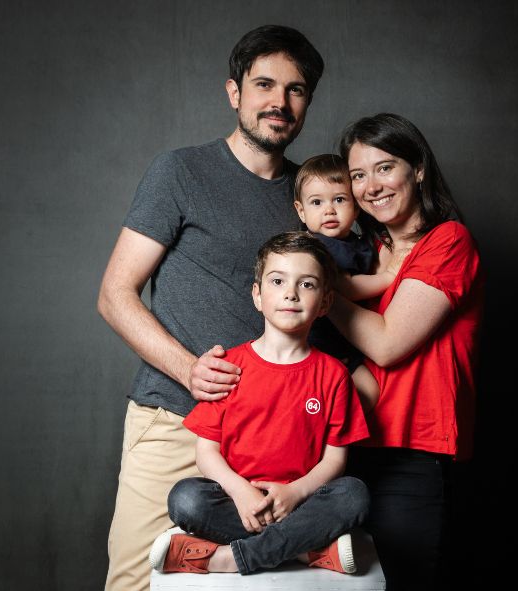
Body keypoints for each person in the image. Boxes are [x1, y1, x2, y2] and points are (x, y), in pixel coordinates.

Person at [97, 25, 324, 591]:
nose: (279, 102)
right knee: (136, 580)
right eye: (264, 84)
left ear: (307, 103)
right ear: (234, 92)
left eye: (295, 90)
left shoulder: (314, 197)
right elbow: (115, 295)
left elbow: (340, 300)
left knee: (266, 583)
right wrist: (188, 370)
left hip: (278, 436)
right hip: (175, 419)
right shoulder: (181, 172)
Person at [148, 232, 370, 575]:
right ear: (257, 295)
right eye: (278, 280)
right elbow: (206, 452)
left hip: (304, 503)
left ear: (325, 303)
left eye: (307, 284)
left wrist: (294, 493)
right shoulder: (229, 368)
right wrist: (241, 493)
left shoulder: (334, 375)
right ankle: (303, 551)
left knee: (354, 495)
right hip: (239, 502)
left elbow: (335, 459)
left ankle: (230, 559)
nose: (290, 293)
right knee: (187, 499)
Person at [327, 113, 485, 591]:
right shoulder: (361, 253)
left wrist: (318, 291)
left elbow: (388, 343)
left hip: (411, 451)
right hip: (341, 449)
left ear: (417, 169)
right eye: (357, 175)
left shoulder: (448, 241)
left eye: (384, 167)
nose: (370, 186)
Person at [293, 153, 394, 412]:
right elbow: (347, 287)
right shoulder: (318, 246)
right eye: (316, 202)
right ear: (301, 211)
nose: (329, 210)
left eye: (339, 199)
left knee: (369, 393)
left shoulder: (359, 244)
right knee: (316, 400)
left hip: (347, 344)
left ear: (356, 206)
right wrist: (389, 277)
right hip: (316, 346)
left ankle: (339, 440)